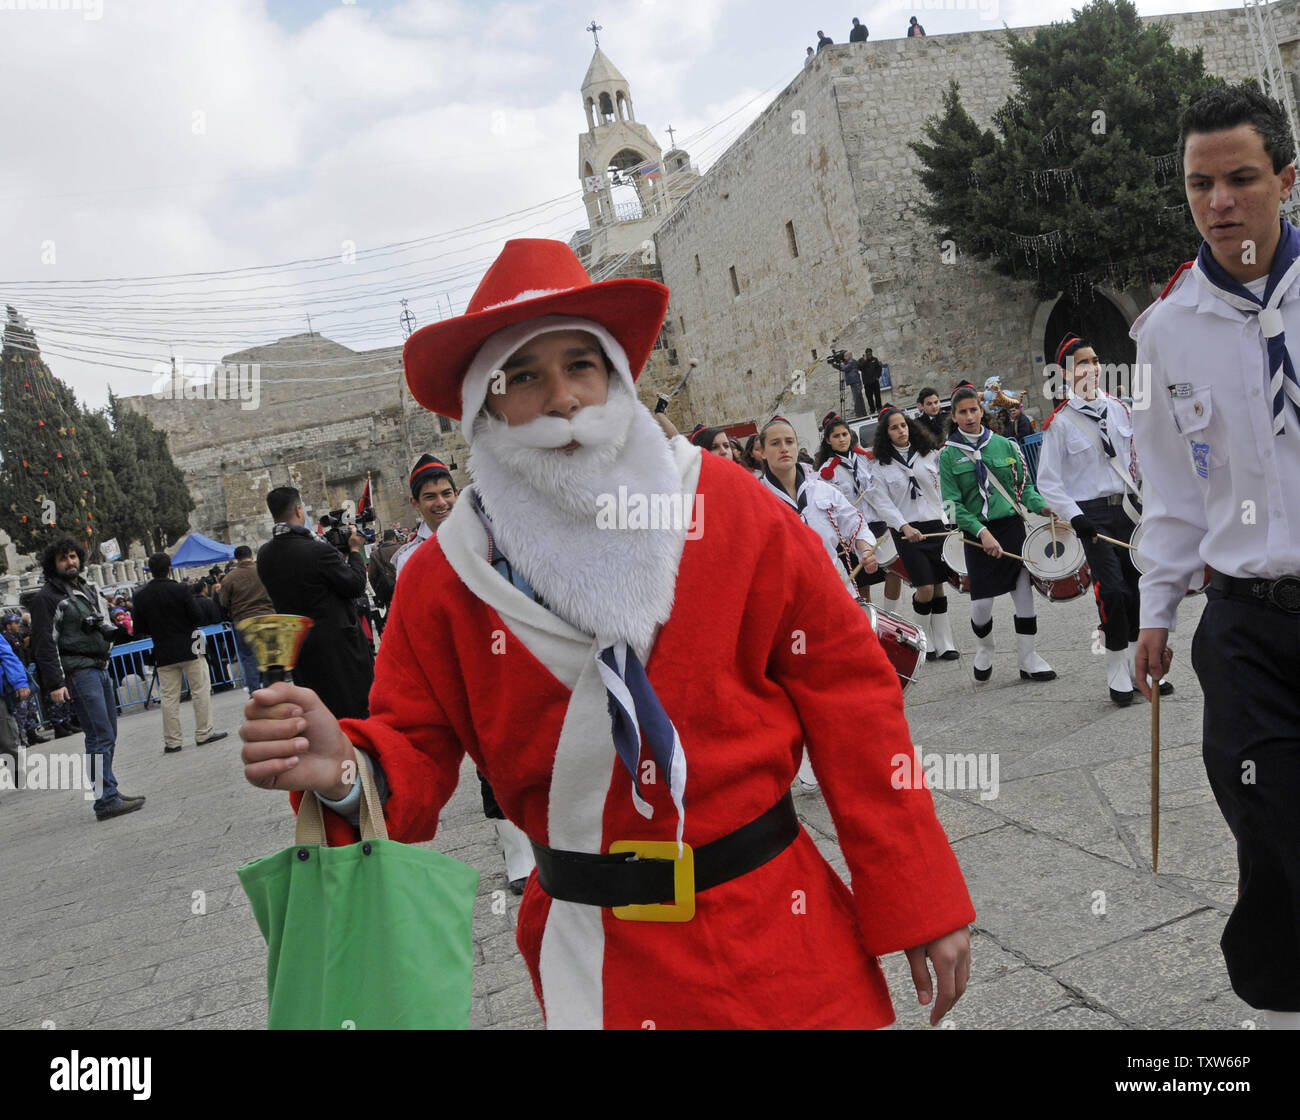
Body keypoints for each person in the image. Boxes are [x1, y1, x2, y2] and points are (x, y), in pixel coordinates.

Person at [239, 237, 973, 1030]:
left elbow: (851, 698)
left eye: (582, 366)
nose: (562, 399)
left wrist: (916, 891)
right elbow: (411, 747)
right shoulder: (443, 579)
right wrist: (346, 770)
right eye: (523, 375)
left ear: (619, 381)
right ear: (488, 407)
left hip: (780, 932)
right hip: (597, 963)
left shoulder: (728, 504)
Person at [1130, 83, 1300, 1028]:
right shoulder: (1166, 333)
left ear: (1286, 177)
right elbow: (1173, 491)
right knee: (1270, 818)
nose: (1220, 202)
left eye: (1241, 178)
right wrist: (1156, 611)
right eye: (1201, 184)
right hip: (1242, 624)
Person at [1037, 334, 1172, 706]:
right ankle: (1116, 667)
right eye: (1083, 363)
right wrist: (1076, 517)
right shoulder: (1060, 423)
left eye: (1095, 361)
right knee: (1112, 591)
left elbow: (1138, 459)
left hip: (1129, 508)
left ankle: (1140, 667)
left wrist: (1154, 498)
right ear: (1066, 373)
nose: (1092, 368)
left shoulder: (1120, 409)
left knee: (1141, 588)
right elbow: (1047, 481)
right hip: (1091, 516)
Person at [940, 387, 1057, 683]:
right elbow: (950, 507)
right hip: (975, 533)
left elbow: (1024, 488)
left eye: (973, 410)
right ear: (953, 417)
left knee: (1024, 597)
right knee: (981, 607)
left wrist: (1042, 507)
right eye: (962, 412)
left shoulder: (1005, 446)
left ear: (982, 411)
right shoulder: (948, 455)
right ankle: (985, 647)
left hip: (1010, 528)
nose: (969, 416)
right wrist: (981, 532)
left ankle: (1028, 658)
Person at [29, 538, 145, 821]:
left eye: (73, 556)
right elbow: (45, 643)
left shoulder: (83, 588)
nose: (70, 562)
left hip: (99, 667)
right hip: (79, 672)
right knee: (98, 736)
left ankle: (110, 789)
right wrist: (56, 683)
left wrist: (116, 631)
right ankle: (105, 800)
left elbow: (99, 623)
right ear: (52, 565)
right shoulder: (48, 598)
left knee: (108, 733)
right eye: (63, 559)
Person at [256, 486, 374, 720]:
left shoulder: (265, 555)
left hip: (300, 648)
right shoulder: (316, 551)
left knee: (320, 713)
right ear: (299, 510)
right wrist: (355, 550)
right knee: (354, 713)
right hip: (339, 649)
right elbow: (354, 585)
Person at [871, 406, 959, 659]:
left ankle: (945, 641)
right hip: (907, 531)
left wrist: (949, 519)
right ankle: (921, 640)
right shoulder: (879, 466)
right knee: (925, 588)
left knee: (940, 585)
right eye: (894, 427)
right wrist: (904, 526)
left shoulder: (928, 454)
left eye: (903, 425)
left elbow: (944, 489)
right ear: (885, 433)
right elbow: (882, 502)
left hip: (935, 526)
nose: (901, 430)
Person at [131, 553, 229, 755]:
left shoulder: (141, 596)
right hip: (189, 647)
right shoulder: (181, 590)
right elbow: (196, 616)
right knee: (200, 690)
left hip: (163, 651)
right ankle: (204, 732)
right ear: (169, 569)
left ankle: (173, 741)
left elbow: (139, 626)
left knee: (169, 697)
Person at [815, 413, 893, 604]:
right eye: (836, 436)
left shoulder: (867, 458)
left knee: (893, 570)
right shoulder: (826, 472)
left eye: (844, 434)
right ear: (828, 441)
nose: (842, 439)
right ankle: (871, 619)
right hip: (853, 531)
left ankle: (891, 614)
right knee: (862, 581)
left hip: (878, 524)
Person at [220, 545, 275, 696]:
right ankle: (274, 688)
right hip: (266, 617)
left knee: (249, 657)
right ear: (251, 556)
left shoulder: (229, 578)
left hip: (243, 620)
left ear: (236, 559)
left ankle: (255, 690)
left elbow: (223, 601)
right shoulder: (263, 570)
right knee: (269, 654)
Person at [392, 454, 458, 577]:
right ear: (415, 503)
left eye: (446, 494)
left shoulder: (481, 537)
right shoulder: (409, 560)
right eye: (430, 497)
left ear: (456, 494)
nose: (441, 503)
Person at [3, 612, 49, 745]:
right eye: (15, 623)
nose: (18, 625)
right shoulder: (6, 638)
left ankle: (32, 733)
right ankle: (19, 737)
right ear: (8, 625)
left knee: (30, 708)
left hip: (23, 674)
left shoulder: (16, 636)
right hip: (15, 678)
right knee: (20, 710)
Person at [839, 351, 869, 418]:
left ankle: (859, 414)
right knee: (859, 398)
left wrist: (841, 364)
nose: (844, 358)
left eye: (845, 356)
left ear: (849, 356)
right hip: (855, 383)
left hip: (855, 383)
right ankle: (863, 413)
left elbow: (844, 368)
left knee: (857, 399)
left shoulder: (851, 362)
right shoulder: (852, 361)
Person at [861, 348, 884, 415]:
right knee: (869, 397)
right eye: (868, 354)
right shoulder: (862, 360)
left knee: (877, 395)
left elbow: (879, 368)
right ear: (866, 354)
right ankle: (872, 409)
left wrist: (878, 377)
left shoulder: (875, 359)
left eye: (870, 353)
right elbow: (860, 368)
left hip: (874, 381)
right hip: (867, 382)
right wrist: (865, 361)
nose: (869, 355)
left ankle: (879, 408)